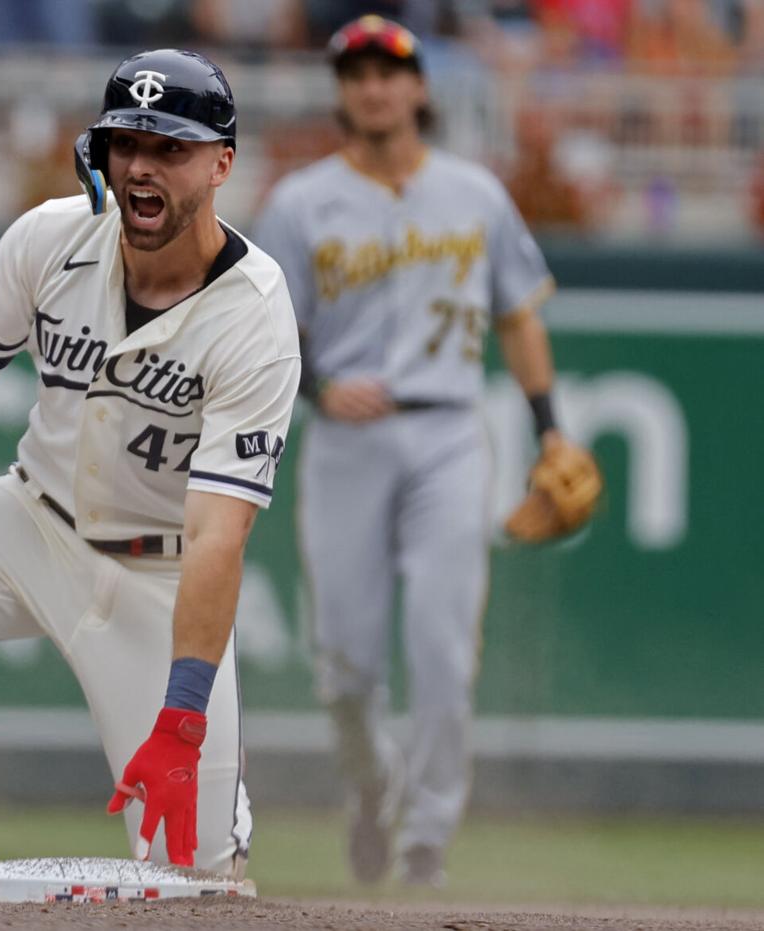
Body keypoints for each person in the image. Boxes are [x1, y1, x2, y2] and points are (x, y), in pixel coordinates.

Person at [0, 48, 301, 898]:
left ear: (223, 162)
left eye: (172, 148)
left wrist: (182, 719)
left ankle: (222, 827)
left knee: (197, 880)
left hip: (160, 572)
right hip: (33, 519)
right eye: (127, 143)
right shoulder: (55, 234)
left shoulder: (255, 314)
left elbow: (218, 534)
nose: (142, 167)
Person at [253, 15, 595, 887]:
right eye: (357, 73)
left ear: (419, 89)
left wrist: (551, 425)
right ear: (342, 91)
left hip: (448, 430)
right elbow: (261, 332)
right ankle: (374, 787)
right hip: (347, 438)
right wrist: (318, 383)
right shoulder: (300, 202)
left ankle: (427, 837)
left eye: (389, 71)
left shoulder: (475, 193)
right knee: (344, 662)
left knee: (445, 645)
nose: (374, 86)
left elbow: (519, 314)